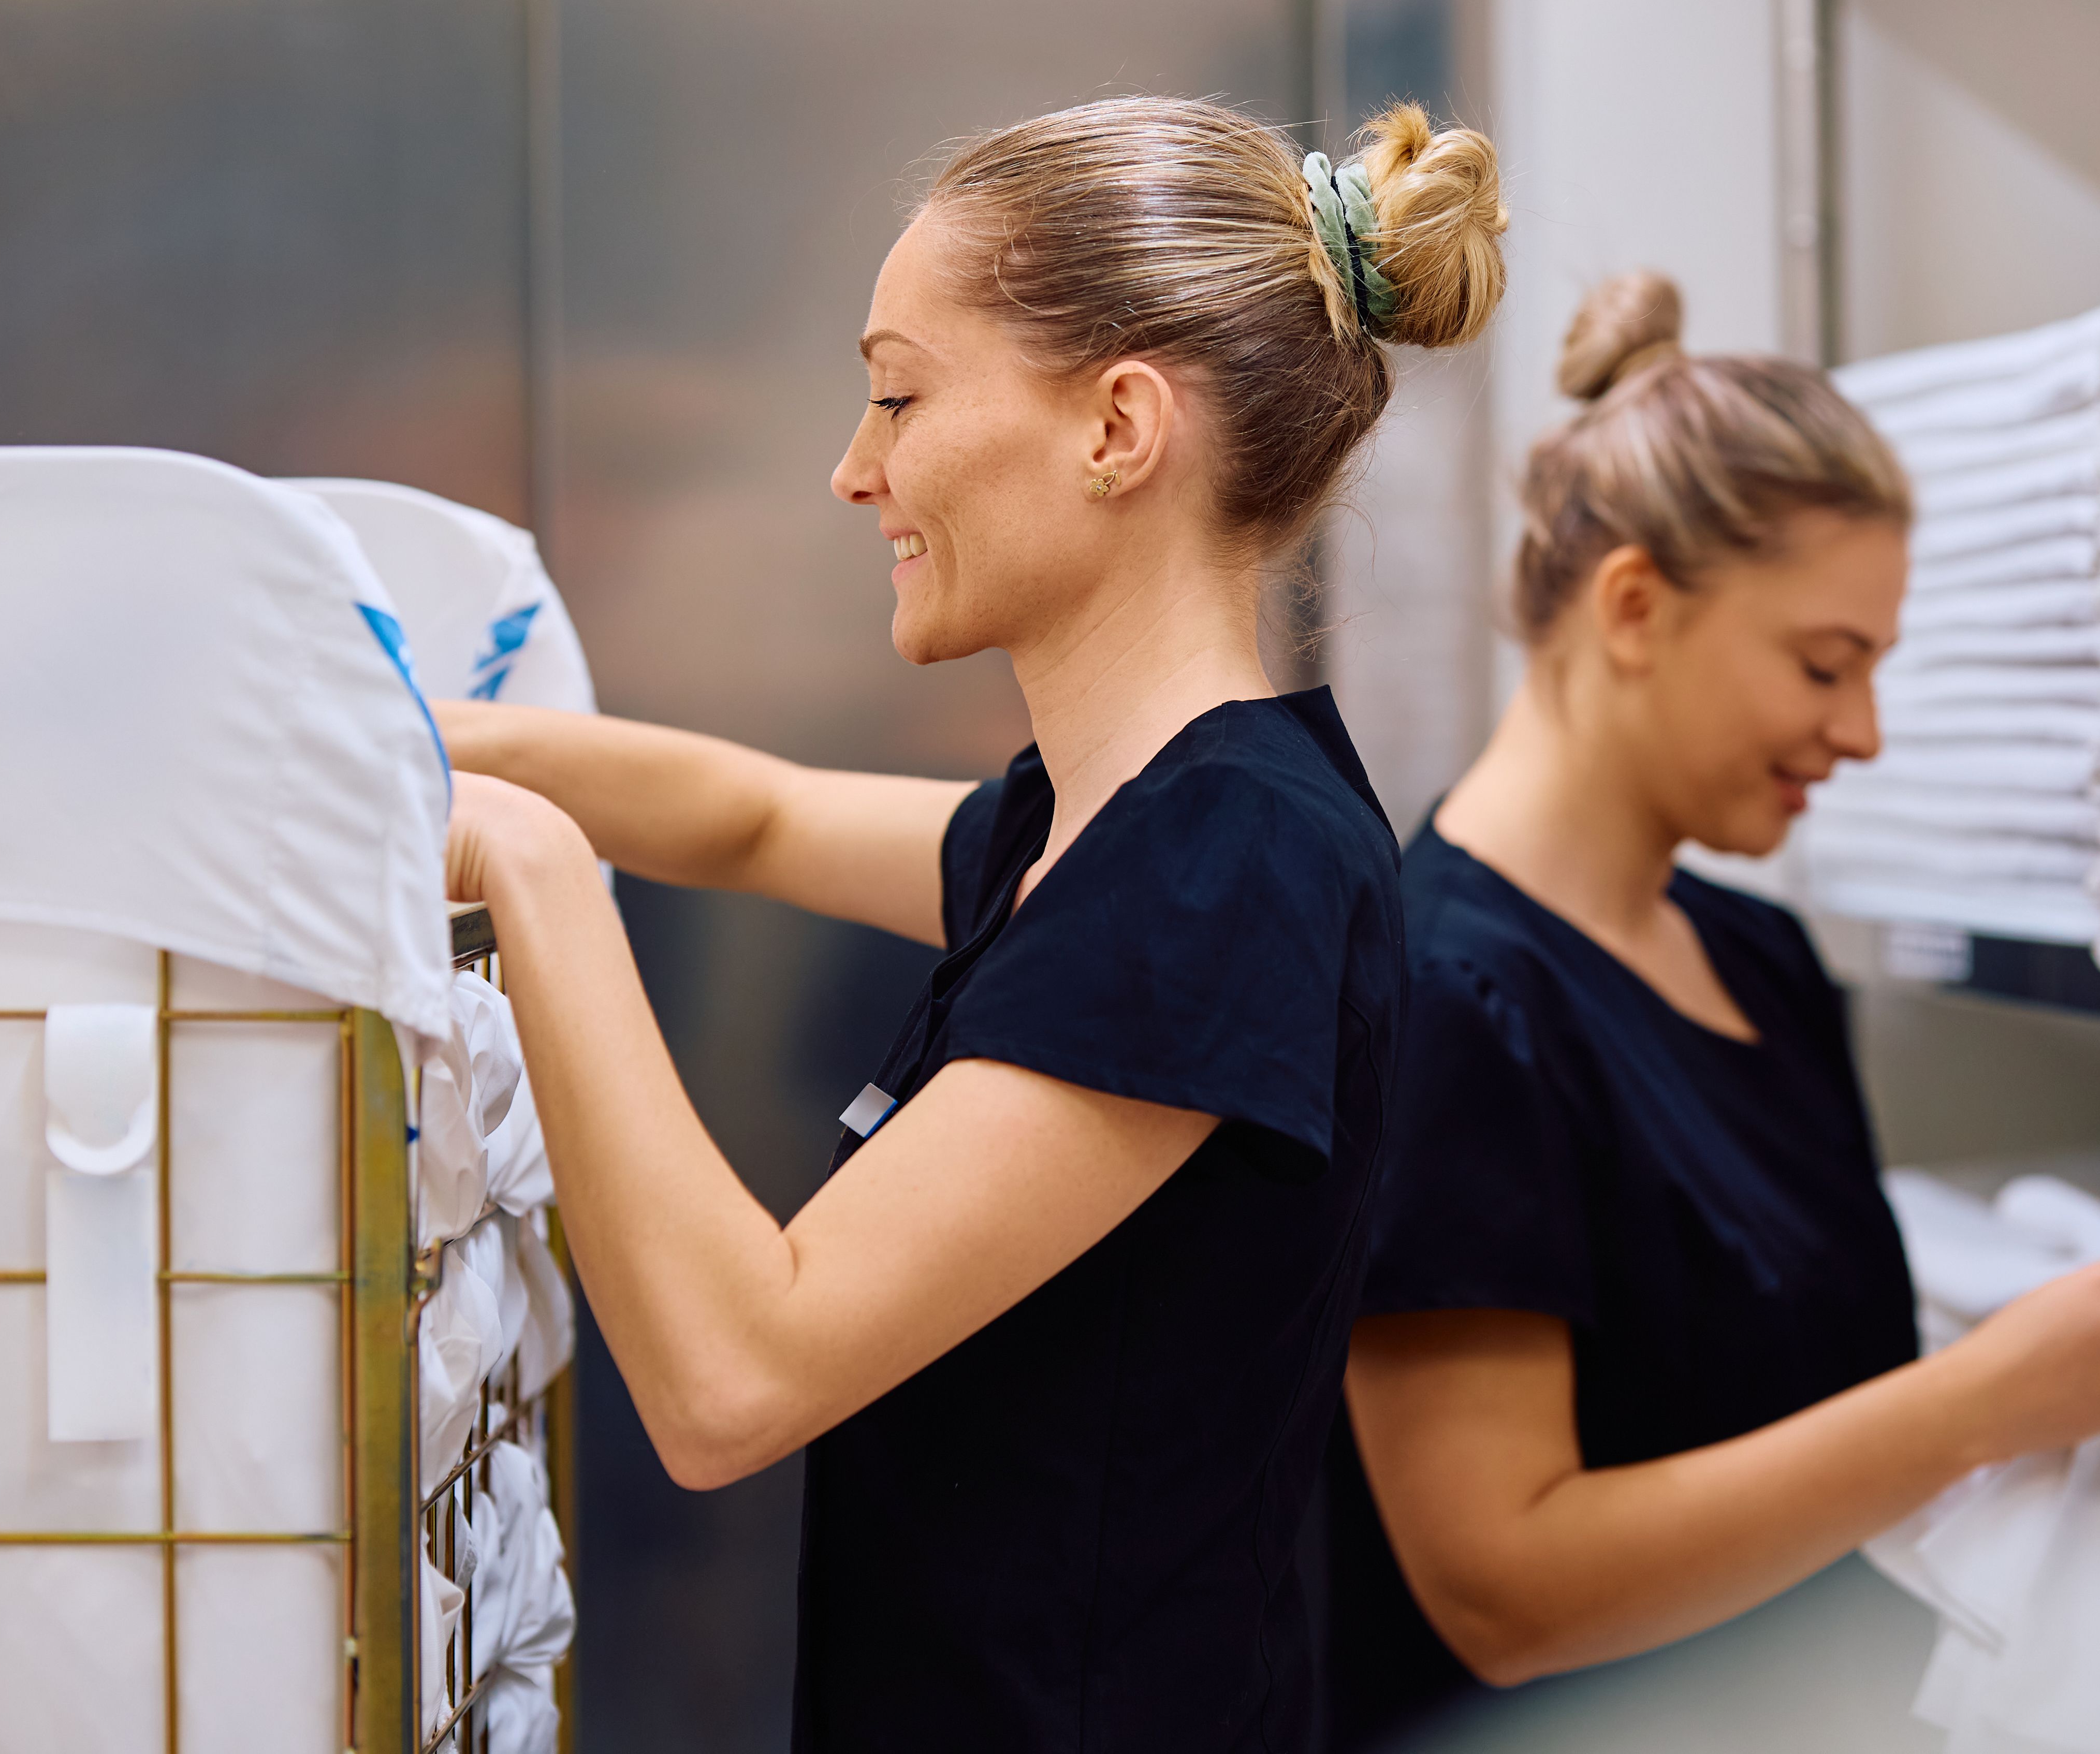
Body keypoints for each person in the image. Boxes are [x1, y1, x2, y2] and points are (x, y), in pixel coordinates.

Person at [433, 96, 1505, 1752]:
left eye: (900, 395)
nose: (855, 470)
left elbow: (733, 1377)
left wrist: (535, 869)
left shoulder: (1227, 866)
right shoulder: (1103, 818)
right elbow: (752, 814)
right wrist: (401, 740)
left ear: (1118, 428)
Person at [1320, 272, 2100, 1749]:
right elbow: (1503, 1595)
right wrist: (1982, 1403)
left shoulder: (1758, 956)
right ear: (1635, 608)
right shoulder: (1447, 1000)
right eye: (1823, 665)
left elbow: (1808, 1449)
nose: (1860, 732)